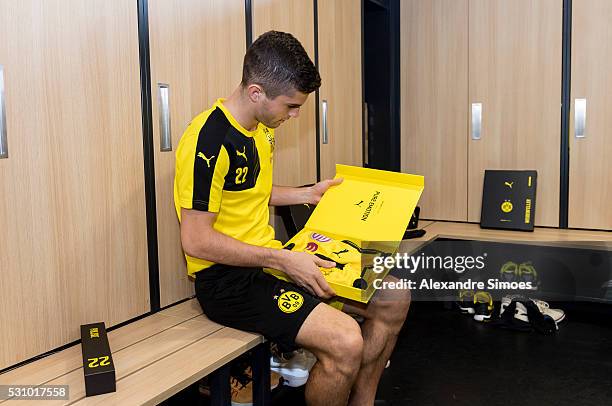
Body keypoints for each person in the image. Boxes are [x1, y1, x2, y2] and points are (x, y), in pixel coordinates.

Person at [174, 30, 411, 406]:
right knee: (346, 340)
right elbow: (197, 239)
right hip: (225, 281)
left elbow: (250, 190)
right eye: (291, 105)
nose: (296, 114)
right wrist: (283, 258)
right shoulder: (207, 141)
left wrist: (307, 193)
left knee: (394, 295)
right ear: (256, 92)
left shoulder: (262, 129)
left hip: (270, 260)